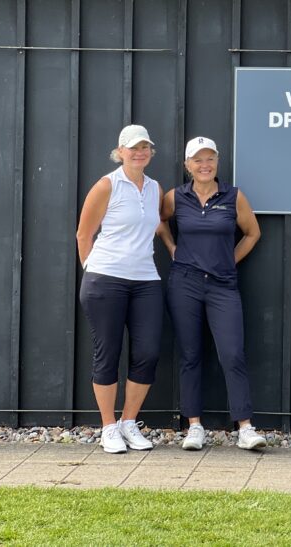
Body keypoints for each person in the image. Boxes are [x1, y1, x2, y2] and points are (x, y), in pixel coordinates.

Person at [161, 136, 267, 451]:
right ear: (187, 165)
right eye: (198, 160)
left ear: (217, 162)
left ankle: (245, 427)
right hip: (184, 283)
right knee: (190, 354)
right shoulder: (175, 197)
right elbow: (159, 221)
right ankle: (194, 426)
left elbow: (253, 233)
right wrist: (172, 247)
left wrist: (229, 260)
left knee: (232, 354)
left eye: (210, 159)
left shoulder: (233, 196)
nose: (204, 165)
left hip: (222, 284)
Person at [76, 124, 171, 454]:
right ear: (120, 152)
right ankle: (108, 427)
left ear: (150, 152)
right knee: (108, 353)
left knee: (148, 353)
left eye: (144, 147)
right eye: (133, 148)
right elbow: (84, 234)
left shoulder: (155, 188)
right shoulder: (107, 185)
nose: (139, 152)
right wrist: (93, 271)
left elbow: (157, 223)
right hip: (105, 279)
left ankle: (129, 422)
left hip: (146, 280)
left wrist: (172, 246)